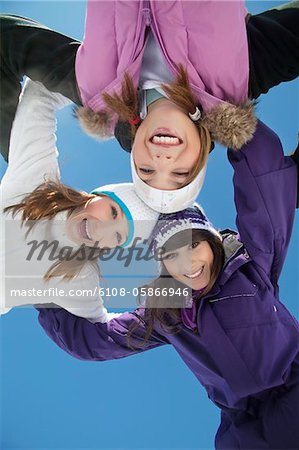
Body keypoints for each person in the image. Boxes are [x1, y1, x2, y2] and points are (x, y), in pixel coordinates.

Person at [37, 119, 298, 449]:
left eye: (193, 245)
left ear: (211, 242)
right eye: (171, 256)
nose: (188, 264)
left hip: (292, 386)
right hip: (244, 426)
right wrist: (42, 291)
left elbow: (263, 193)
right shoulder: (165, 315)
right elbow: (93, 340)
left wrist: (231, 121)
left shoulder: (249, 267)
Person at [1, 1, 299, 212]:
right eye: (180, 175)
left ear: (134, 153)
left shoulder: (95, 92)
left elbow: (6, 40)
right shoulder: (243, 75)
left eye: (146, 170)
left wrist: (19, 163)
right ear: (200, 155)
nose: (162, 161)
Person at [0, 79, 158, 319]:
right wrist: (106, 86)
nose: (102, 228)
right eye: (113, 212)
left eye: (118, 237)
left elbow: (103, 323)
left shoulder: (79, 277)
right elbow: (39, 94)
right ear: (96, 197)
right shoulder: (37, 185)